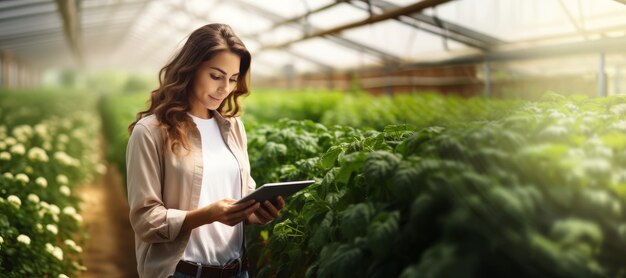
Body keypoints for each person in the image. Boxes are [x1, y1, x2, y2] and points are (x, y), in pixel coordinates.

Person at [126, 23, 284, 278]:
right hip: (181, 272)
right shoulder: (151, 131)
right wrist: (206, 215)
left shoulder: (233, 128)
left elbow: (241, 194)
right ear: (190, 69)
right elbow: (146, 220)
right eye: (216, 76)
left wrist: (255, 213)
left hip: (237, 270)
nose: (225, 88)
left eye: (233, 79)